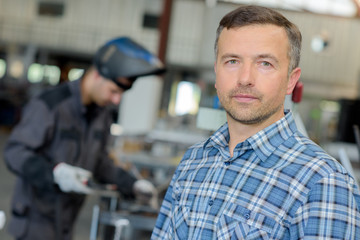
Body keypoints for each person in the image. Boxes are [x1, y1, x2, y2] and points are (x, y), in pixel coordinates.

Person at [151, 5, 360, 239]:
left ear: (291, 81)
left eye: (264, 64)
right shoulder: (194, 161)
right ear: (216, 73)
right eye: (232, 61)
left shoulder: (322, 182)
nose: (245, 79)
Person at [4, 36, 165, 240]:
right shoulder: (50, 105)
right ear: (97, 75)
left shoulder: (101, 115)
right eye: (114, 91)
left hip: (66, 223)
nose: (116, 100)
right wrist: (55, 173)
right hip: (35, 224)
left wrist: (132, 184)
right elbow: (15, 152)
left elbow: (99, 162)